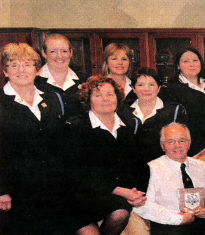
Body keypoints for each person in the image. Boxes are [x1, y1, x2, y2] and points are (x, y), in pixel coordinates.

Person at [0, 43, 69, 234]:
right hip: (17, 192)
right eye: (14, 65)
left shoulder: (53, 100)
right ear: (5, 71)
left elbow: (63, 143)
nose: (21, 70)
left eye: (28, 64)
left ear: (37, 70)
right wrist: (1, 190)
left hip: (54, 187)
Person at [65, 76, 149, 235]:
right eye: (98, 95)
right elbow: (78, 173)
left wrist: (137, 193)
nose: (105, 99)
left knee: (120, 213)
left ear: (118, 98)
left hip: (113, 198)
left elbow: (139, 165)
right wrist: (122, 191)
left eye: (110, 94)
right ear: (88, 100)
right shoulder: (75, 126)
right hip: (81, 197)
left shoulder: (129, 125)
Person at [133, 123, 205, 235]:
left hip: (202, 223)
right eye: (171, 142)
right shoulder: (151, 169)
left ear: (189, 144)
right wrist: (177, 219)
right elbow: (143, 206)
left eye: (182, 141)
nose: (177, 146)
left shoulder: (203, 167)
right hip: (169, 226)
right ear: (162, 146)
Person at [161, 48, 205, 156]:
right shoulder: (170, 89)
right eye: (186, 61)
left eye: (195, 60)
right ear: (178, 66)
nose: (192, 64)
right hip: (190, 149)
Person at [128, 67, 187, 162]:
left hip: (165, 168)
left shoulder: (174, 111)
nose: (146, 89)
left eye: (151, 85)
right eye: (141, 85)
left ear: (159, 88)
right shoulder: (124, 112)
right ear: (133, 89)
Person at [36, 33, 88, 118]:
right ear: (44, 53)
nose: (59, 56)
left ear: (71, 53)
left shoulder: (84, 81)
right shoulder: (34, 82)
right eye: (53, 51)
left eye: (64, 51)